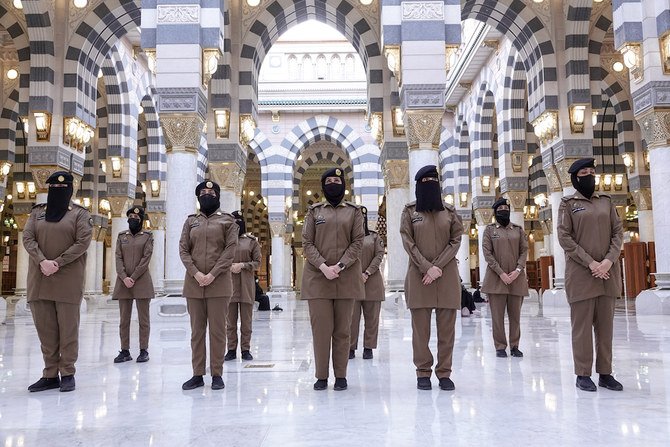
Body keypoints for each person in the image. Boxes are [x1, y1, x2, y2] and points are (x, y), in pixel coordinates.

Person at [557, 158, 624, 392]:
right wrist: (591, 263)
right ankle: (583, 374)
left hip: (607, 273)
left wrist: (607, 261)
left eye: (592, 172)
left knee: (606, 328)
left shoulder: (606, 201)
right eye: (584, 172)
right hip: (581, 275)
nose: (589, 175)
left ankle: (605, 373)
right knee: (582, 328)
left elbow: (618, 233)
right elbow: (565, 238)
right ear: (575, 178)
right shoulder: (568, 204)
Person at [23, 171, 93, 392]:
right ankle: (50, 373)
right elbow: (27, 238)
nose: (58, 191)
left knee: (68, 329)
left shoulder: (79, 215)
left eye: (63, 189)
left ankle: (68, 372)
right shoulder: (37, 214)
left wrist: (58, 263)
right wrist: (42, 261)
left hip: (67, 280)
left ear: (71, 190)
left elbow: (83, 241)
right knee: (46, 330)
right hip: (40, 278)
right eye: (54, 187)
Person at [400, 165, 463, 391]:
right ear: (418, 185)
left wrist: (437, 267)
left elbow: (456, 241)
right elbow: (408, 243)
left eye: (433, 180)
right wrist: (427, 267)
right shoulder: (409, 212)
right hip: (419, 277)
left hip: (445, 277)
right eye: (425, 180)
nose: (430, 184)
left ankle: (444, 372)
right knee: (421, 331)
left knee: (447, 331)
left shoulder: (450, 212)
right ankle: (423, 372)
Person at [301, 167, 364, 391]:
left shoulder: (354, 212)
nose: (333, 184)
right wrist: (323, 266)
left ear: (343, 183)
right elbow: (307, 242)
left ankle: (341, 375)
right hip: (318, 280)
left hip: (346, 278)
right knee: (321, 330)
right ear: (323, 185)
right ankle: (320, 376)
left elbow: (358, 241)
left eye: (337, 180)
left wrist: (340, 265)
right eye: (329, 181)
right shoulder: (314, 212)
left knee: (343, 330)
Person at [179, 180, 238, 391]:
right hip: (194, 285)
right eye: (203, 192)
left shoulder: (228, 221)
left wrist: (212, 274)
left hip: (219, 284)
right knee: (196, 332)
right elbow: (183, 250)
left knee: (217, 331)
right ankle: (197, 374)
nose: (207, 195)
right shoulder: (190, 222)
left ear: (218, 195)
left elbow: (230, 251)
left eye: (211, 192)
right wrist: (196, 273)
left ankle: (217, 373)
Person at [481, 198, 529, 358]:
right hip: (496, 280)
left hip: (516, 279)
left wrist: (517, 270)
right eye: (500, 208)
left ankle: (515, 346)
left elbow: (524, 251)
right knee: (497, 317)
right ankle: (500, 346)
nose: (504, 210)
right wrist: (501, 273)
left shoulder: (518, 230)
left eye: (506, 207)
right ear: (495, 212)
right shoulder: (489, 230)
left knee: (515, 316)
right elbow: (487, 254)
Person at [112, 206, 154, 363]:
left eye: (136, 217)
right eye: (130, 216)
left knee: (143, 319)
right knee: (124, 319)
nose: (133, 219)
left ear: (141, 220)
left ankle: (143, 350)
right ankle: (125, 350)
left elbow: (146, 258)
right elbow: (118, 257)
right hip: (124, 282)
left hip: (141, 281)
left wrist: (133, 277)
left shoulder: (147, 236)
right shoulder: (122, 236)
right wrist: (124, 277)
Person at [349, 206, 385, 360]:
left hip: (372, 283)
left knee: (372, 319)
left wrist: (367, 272)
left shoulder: (375, 237)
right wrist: (357, 275)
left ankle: (368, 347)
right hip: (352, 284)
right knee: (351, 319)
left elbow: (379, 255)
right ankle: (350, 347)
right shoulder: (348, 239)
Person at [225, 211, 261, 361]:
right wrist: (229, 266)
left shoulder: (251, 241)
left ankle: (245, 349)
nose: (238, 224)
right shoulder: (225, 241)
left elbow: (257, 262)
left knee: (246, 321)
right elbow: (218, 260)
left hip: (246, 285)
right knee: (230, 322)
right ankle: (231, 349)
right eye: (235, 221)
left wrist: (243, 265)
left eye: (240, 221)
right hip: (229, 285)